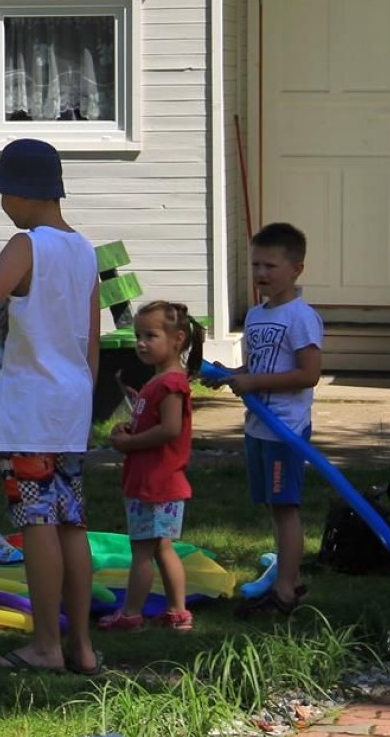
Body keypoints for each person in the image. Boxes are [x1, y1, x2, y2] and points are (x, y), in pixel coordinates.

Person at [0, 137, 102, 675]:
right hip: (71, 403)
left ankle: (44, 647)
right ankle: (82, 645)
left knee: (36, 522)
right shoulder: (84, 249)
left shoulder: (26, 245)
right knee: (71, 523)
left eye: (3, 192)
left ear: (21, 191)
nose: (1, 203)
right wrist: (81, 399)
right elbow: (92, 341)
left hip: (29, 406)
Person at [211, 221, 323, 618]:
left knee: (286, 508)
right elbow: (259, 363)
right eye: (256, 265)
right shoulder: (257, 315)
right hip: (258, 425)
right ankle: (284, 575)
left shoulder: (301, 317)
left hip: (284, 429)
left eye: (270, 266)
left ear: (296, 269)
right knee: (273, 507)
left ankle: (286, 592)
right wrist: (234, 374)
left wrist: (253, 380)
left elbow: (309, 374)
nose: (261, 274)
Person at [103, 300, 204, 633]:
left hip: (156, 482)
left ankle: (131, 614)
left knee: (144, 551)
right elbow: (154, 424)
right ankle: (178, 611)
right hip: (156, 480)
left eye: (151, 335)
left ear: (176, 339)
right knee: (161, 546)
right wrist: (129, 432)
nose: (141, 343)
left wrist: (130, 444)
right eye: (138, 335)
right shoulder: (159, 380)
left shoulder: (171, 384)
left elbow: (171, 429)